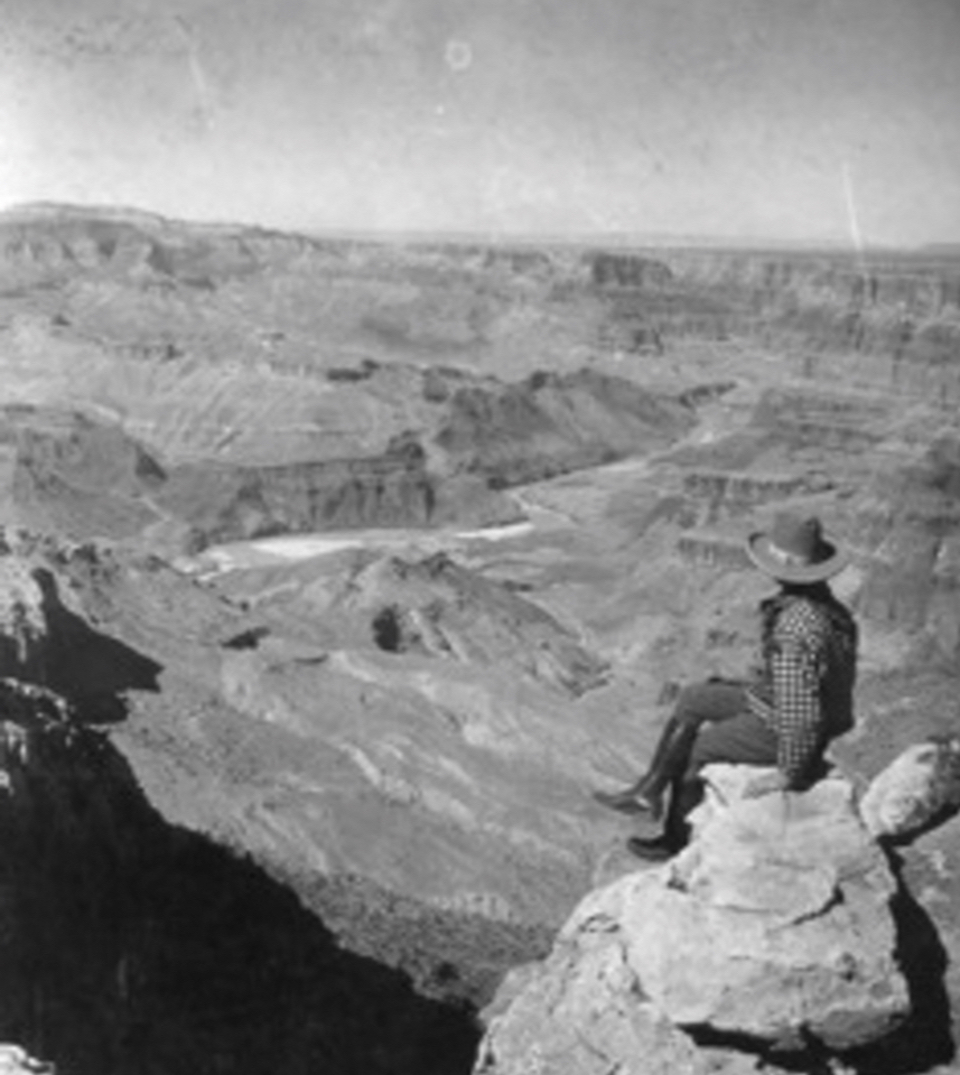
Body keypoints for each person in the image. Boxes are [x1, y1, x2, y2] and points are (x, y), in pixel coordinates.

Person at [594, 512, 858, 861]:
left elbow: (802, 713)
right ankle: (649, 790)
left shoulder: (794, 627)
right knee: (694, 699)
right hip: (775, 701)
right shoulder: (824, 606)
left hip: (783, 725)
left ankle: (677, 842)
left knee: (700, 748)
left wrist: (788, 773)